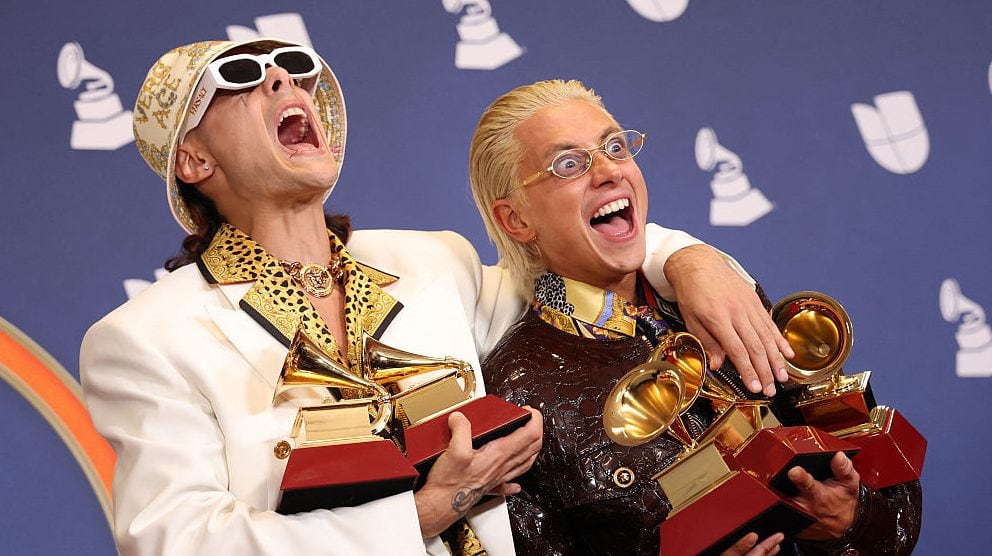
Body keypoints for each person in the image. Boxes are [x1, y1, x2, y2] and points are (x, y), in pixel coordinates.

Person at [80, 40, 791, 556]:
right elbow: (178, 542)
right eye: (239, 78)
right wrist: (424, 513)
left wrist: (688, 258)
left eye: (294, 68)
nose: (283, 80)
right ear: (194, 159)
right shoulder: (146, 338)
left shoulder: (433, 262)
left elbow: (575, 261)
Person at [470, 79, 923, 555]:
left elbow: (888, 501)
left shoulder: (724, 297)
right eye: (569, 164)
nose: (608, 171)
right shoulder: (514, 395)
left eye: (615, 147)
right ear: (516, 220)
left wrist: (851, 519)